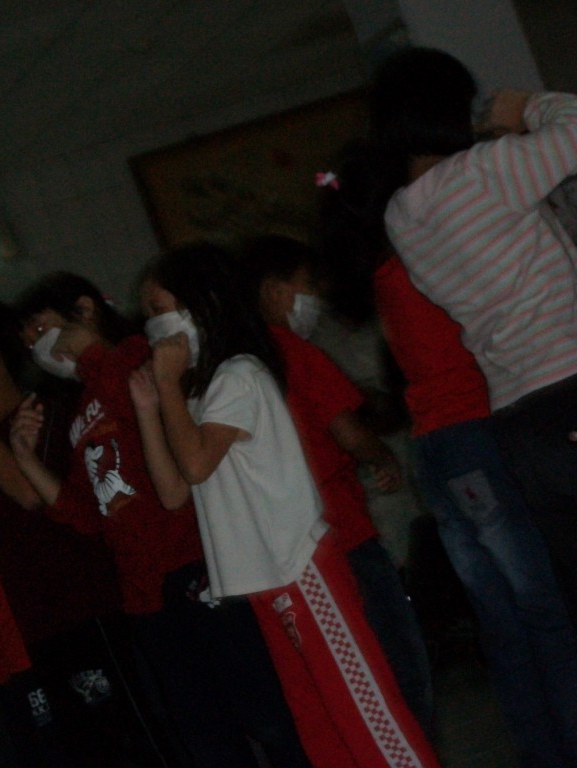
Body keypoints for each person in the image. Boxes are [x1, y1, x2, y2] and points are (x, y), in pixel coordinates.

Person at [318, 138, 577, 767]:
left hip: (438, 449)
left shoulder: (385, 273)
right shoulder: (414, 260)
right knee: (546, 610)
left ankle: (544, 754)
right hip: (474, 437)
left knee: (505, 621)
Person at [136, 242, 441, 768]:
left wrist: (165, 384)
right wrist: (149, 408)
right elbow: (173, 491)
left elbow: (196, 464)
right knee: (320, 725)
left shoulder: (239, 375)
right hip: (265, 581)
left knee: (363, 712)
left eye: (160, 312)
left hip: (301, 569)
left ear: (200, 306)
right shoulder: (201, 392)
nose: (153, 329)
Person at [9, 271, 310, 768]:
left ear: (83, 310)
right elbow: (88, 514)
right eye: (29, 343)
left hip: (193, 561)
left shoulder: (135, 356)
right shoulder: (81, 409)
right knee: (204, 735)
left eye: (42, 330)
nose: (39, 348)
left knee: (264, 713)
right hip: (145, 593)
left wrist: (90, 354)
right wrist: (25, 459)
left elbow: (152, 419)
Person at [371, 46, 577, 617]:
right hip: (568, 380)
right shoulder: (483, 172)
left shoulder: (401, 216)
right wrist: (528, 106)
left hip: (516, 416)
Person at [241, 234, 434, 736]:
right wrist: (382, 456)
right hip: (344, 532)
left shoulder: (239, 367)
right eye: (306, 284)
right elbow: (346, 430)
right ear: (274, 289)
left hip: (294, 548)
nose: (315, 297)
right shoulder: (293, 353)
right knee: (398, 662)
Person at [0, 298, 130, 767]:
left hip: (84, 609)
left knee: (122, 743)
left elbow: (28, 494)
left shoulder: (41, 412)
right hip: (38, 623)